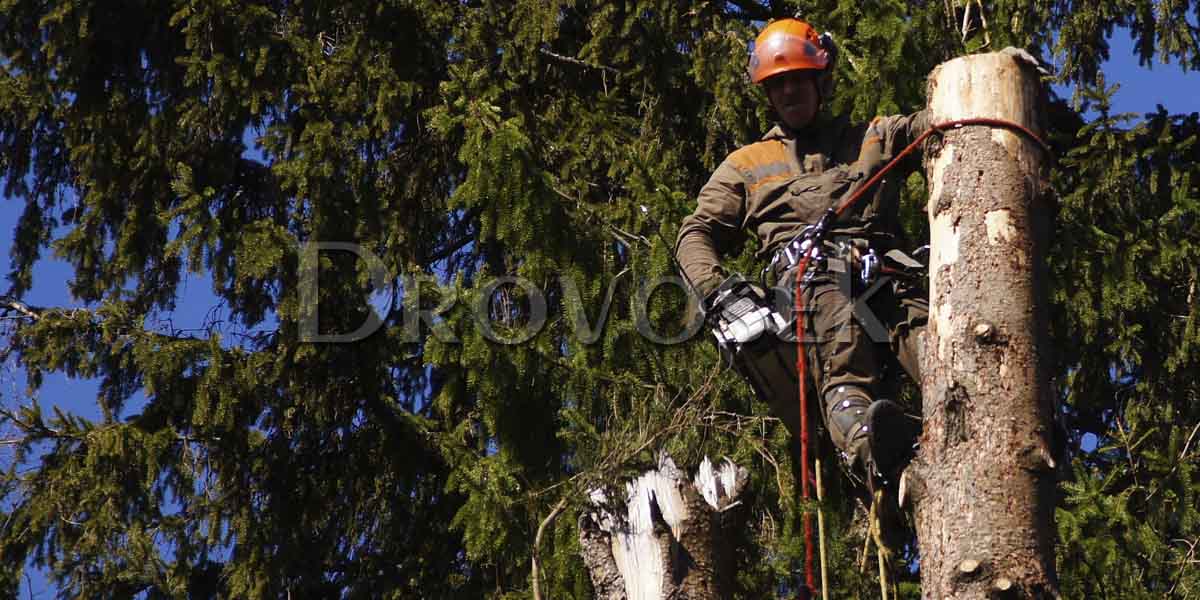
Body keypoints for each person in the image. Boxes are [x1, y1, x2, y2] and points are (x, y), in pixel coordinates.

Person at [675, 17, 931, 496]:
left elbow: (933, 126)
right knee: (840, 342)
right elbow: (697, 231)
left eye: (797, 79)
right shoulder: (748, 165)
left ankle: (969, 408)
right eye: (778, 84)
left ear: (820, 79)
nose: (789, 92)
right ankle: (870, 448)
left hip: (888, 279)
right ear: (768, 94)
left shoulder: (874, 137)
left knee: (933, 342)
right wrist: (719, 294)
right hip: (813, 287)